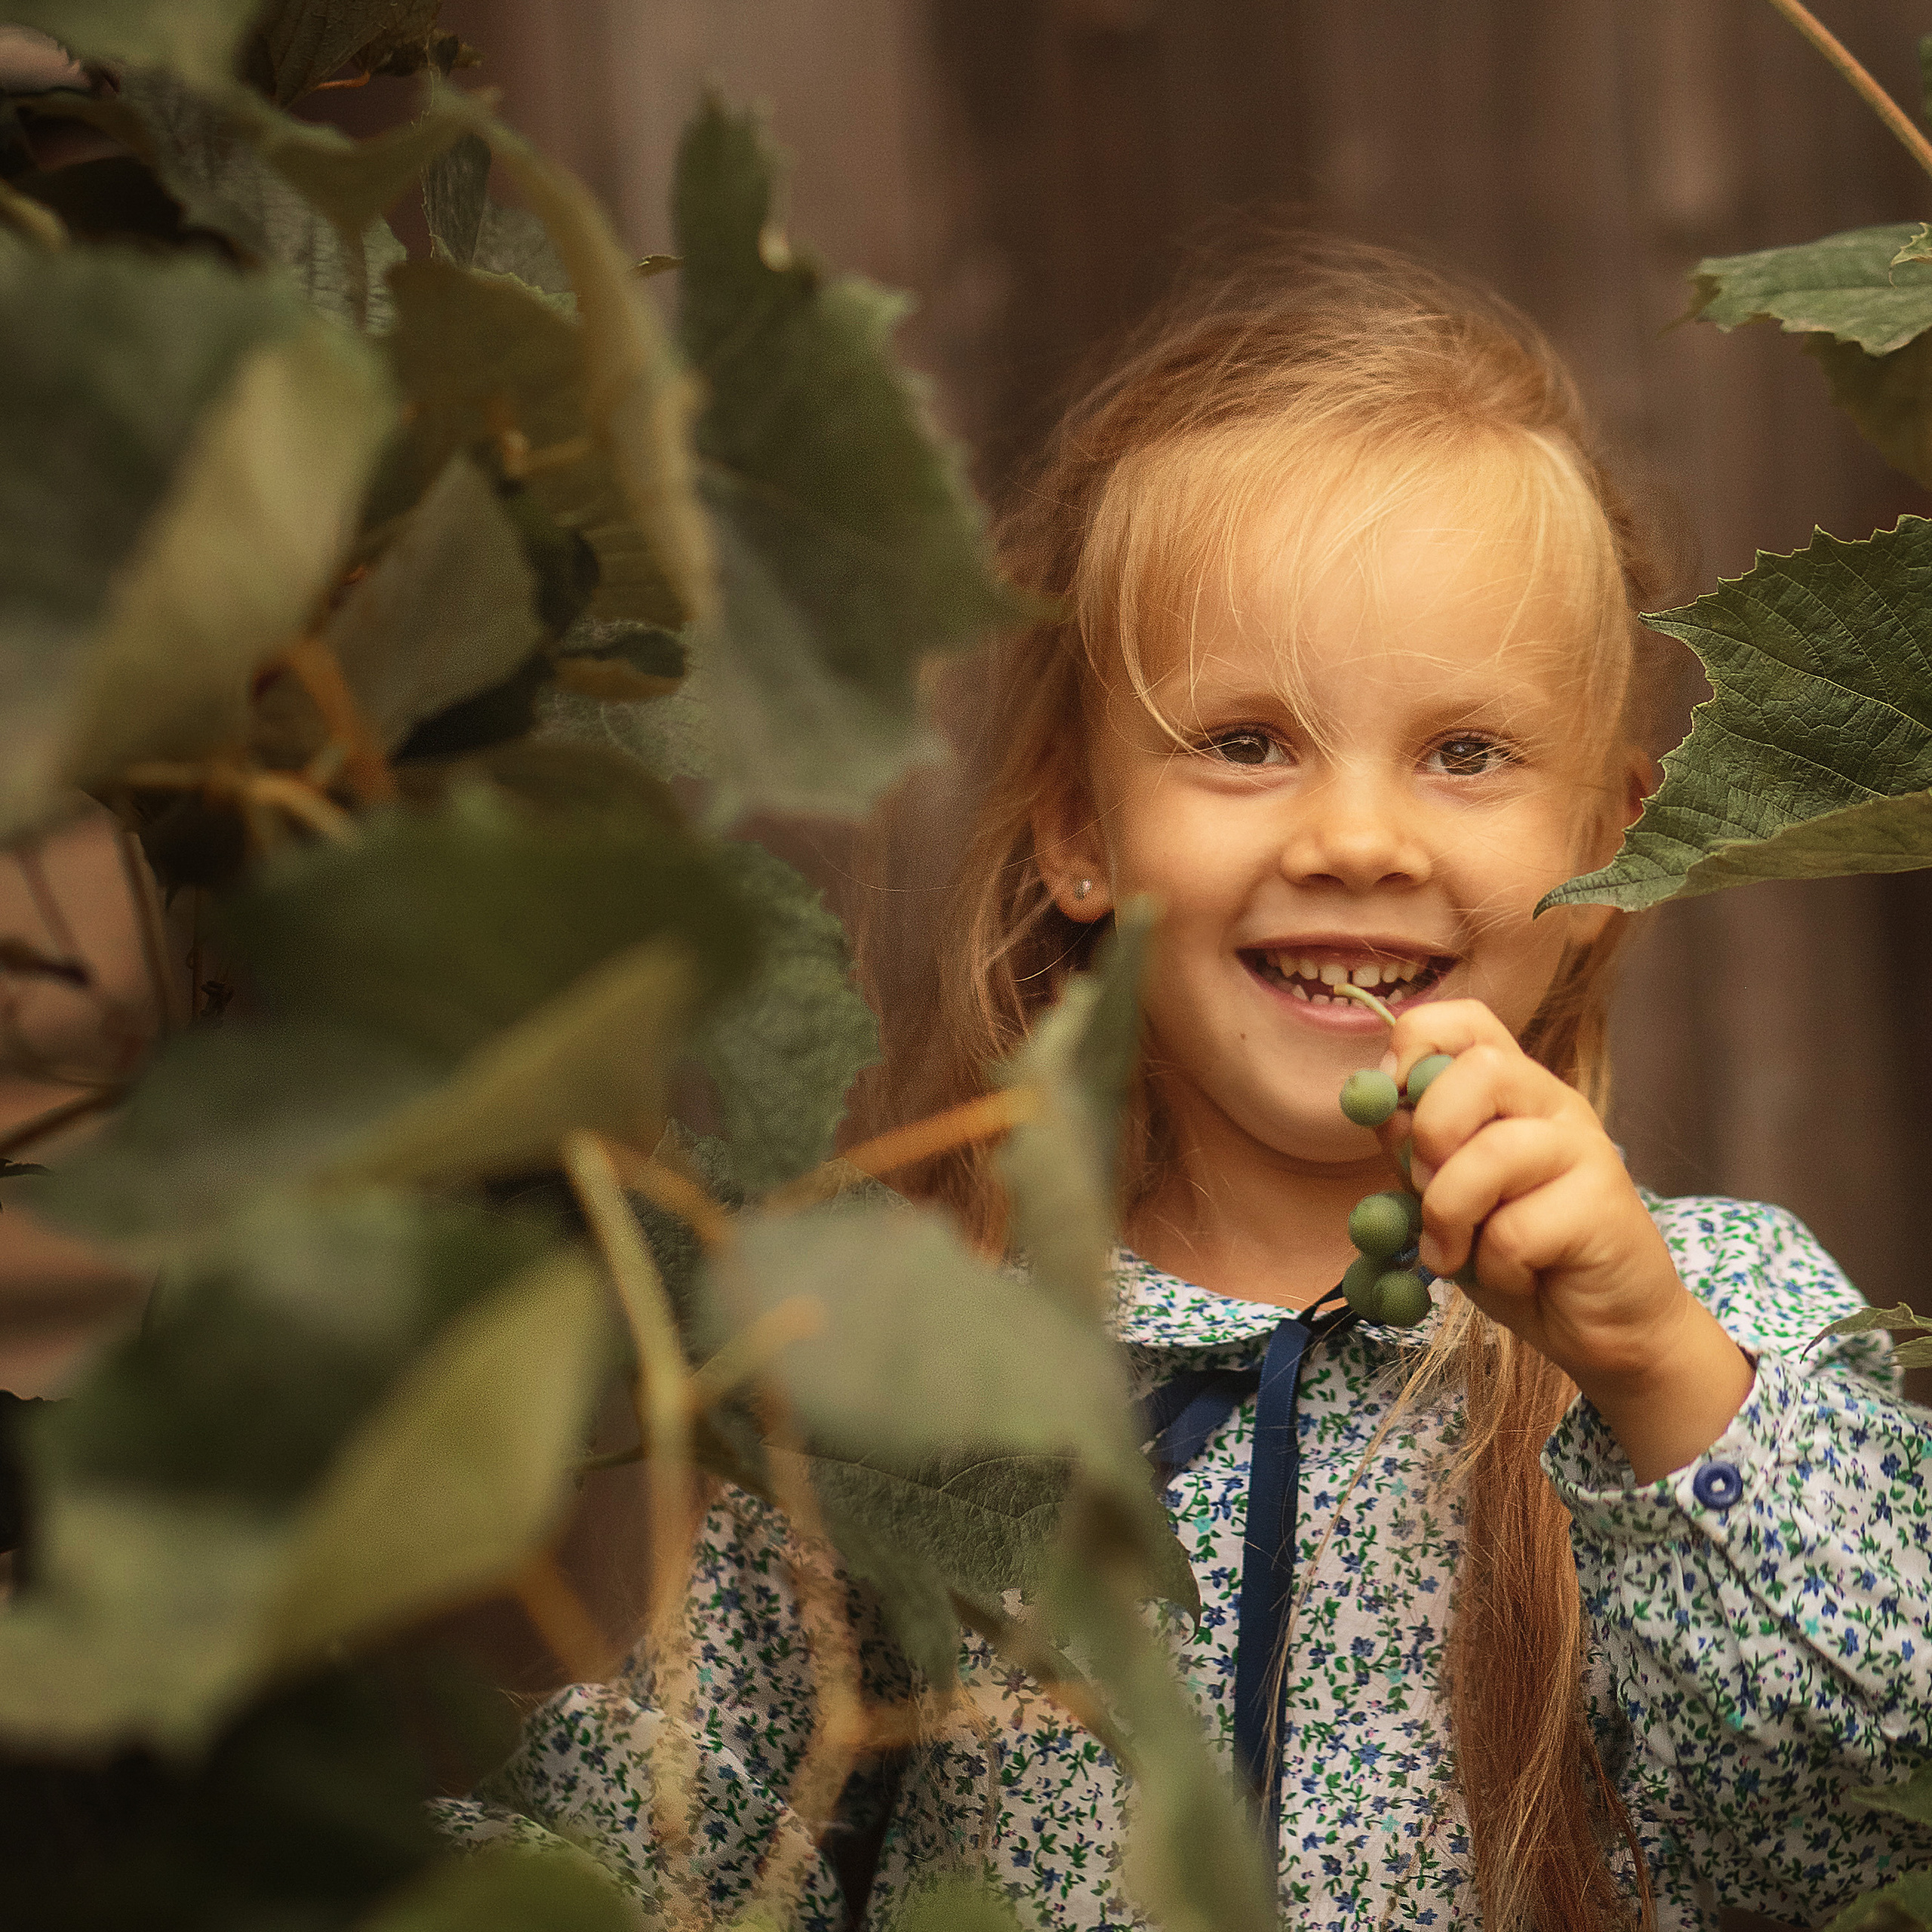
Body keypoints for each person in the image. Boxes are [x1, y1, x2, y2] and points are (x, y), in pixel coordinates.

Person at [438, 240, 1932, 1931]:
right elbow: (660, 1849)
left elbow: (1856, 1825)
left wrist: (1656, 1374)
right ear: (1077, 827)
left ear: (1613, 838)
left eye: (1464, 751)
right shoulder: (925, 1352)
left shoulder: (1718, 1324)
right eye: (1243, 741)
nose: (1356, 838)